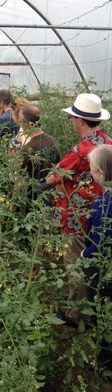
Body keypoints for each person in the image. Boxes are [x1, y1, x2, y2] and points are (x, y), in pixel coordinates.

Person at [45, 93, 112, 327]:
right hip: (99, 214)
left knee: (76, 263)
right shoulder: (107, 142)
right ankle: (95, 307)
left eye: (73, 117)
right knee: (94, 260)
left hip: (75, 215)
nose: (71, 121)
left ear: (81, 120)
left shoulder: (81, 149)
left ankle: (76, 315)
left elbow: (55, 177)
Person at [82, 144, 112, 371]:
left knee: (101, 312)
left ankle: (103, 361)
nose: (90, 172)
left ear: (101, 173)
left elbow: (96, 245)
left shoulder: (102, 206)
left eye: (92, 168)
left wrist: (85, 255)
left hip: (102, 272)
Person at [11, 105, 60, 211]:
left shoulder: (28, 149)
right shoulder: (53, 141)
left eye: (20, 121)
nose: (19, 122)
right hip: (49, 194)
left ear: (28, 125)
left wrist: (12, 204)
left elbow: (20, 180)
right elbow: (57, 167)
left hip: (32, 198)